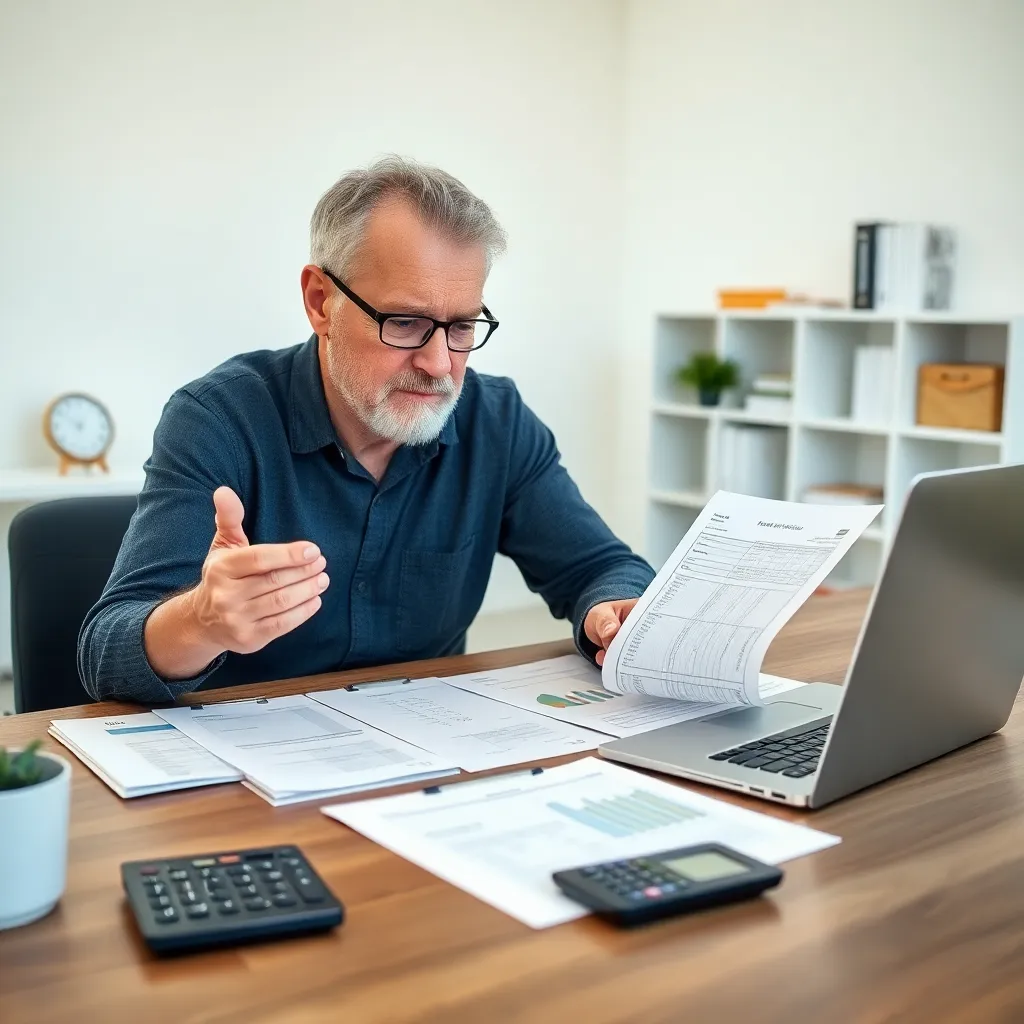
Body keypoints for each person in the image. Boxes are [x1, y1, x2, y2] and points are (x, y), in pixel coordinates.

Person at [78, 156, 655, 703]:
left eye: (460, 327)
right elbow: (106, 652)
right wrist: (201, 619)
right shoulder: (219, 420)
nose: (437, 364)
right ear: (320, 301)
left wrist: (614, 609)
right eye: (404, 322)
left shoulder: (495, 421)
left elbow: (600, 567)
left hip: (427, 760)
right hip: (244, 777)